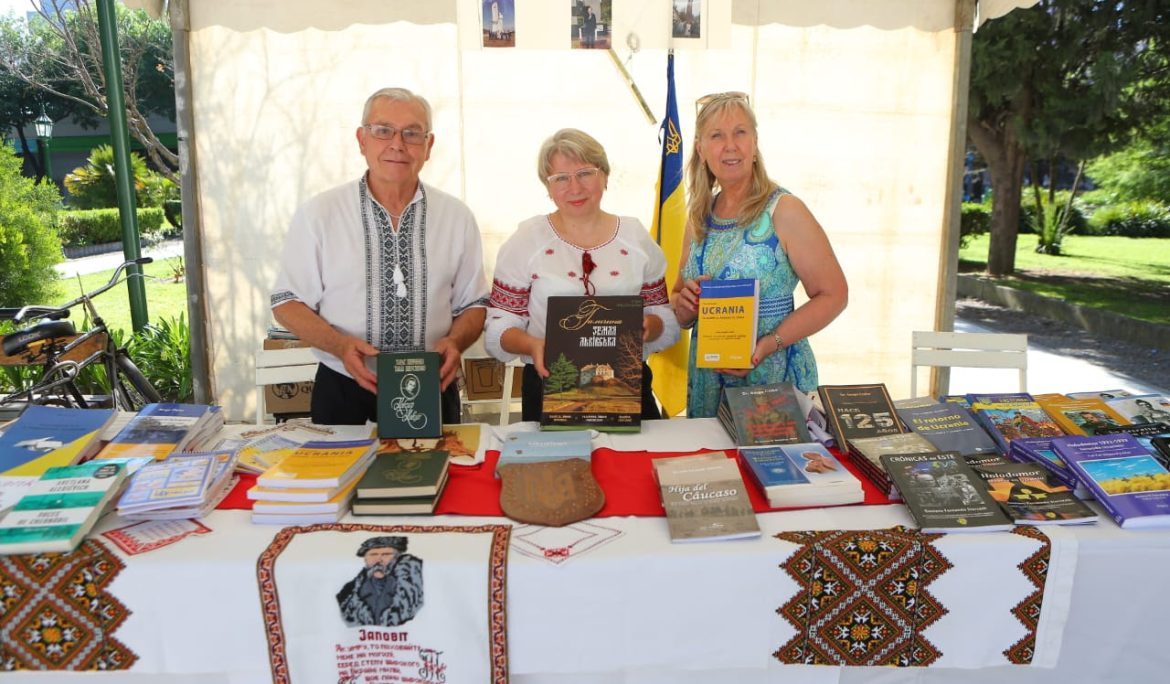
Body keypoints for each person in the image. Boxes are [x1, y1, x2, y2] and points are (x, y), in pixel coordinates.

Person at [271, 87, 489, 426]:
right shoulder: (320, 214)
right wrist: (340, 345)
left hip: (431, 385)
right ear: (362, 140)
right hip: (343, 386)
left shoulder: (457, 217)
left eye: (412, 133)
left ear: (429, 146)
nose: (397, 144)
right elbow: (287, 302)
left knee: (436, 477)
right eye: (383, 130)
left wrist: (456, 342)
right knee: (344, 480)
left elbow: (474, 304)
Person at [484, 128, 680, 422]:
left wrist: (650, 326)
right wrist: (534, 345)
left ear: (604, 176)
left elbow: (664, 317)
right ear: (547, 187)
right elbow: (498, 328)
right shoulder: (526, 240)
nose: (574, 187)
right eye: (560, 178)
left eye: (585, 173)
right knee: (560, 468)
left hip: (627, 386)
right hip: (550, 384)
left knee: (632, 466)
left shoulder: (635, 237)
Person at [671, 92, 848, 418]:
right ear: (701, 149)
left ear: (754, 143)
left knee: (771, 470)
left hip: (774, 379)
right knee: (717, 468)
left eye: (740, 132)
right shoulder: (698, 215)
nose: (730, 145)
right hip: (709, 382)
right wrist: (684, 306)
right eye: (717, 135)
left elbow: (834, 295)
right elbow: (680, 305)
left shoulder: (785, 210)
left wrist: (768, 345)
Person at [337, 536, 424, 627]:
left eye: (386, 554)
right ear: (365, 559)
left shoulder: (413, 589)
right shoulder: (348, 595)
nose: (379, 560)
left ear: (396, 557)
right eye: (373, 554)